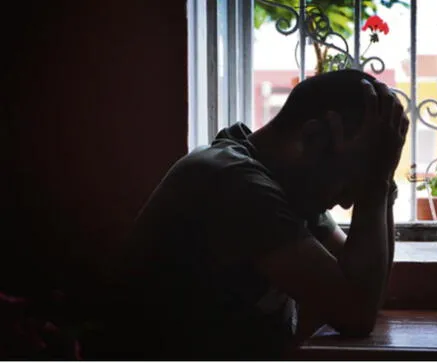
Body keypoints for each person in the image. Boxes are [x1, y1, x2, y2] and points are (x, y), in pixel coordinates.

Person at [101, 69, 409, 360]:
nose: (344, 202)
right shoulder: (234, 183)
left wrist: (382, 179)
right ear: (313, 138)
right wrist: (374, 182)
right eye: (348, 179)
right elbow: (356, 313)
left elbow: (368, 290)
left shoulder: (285, 180)